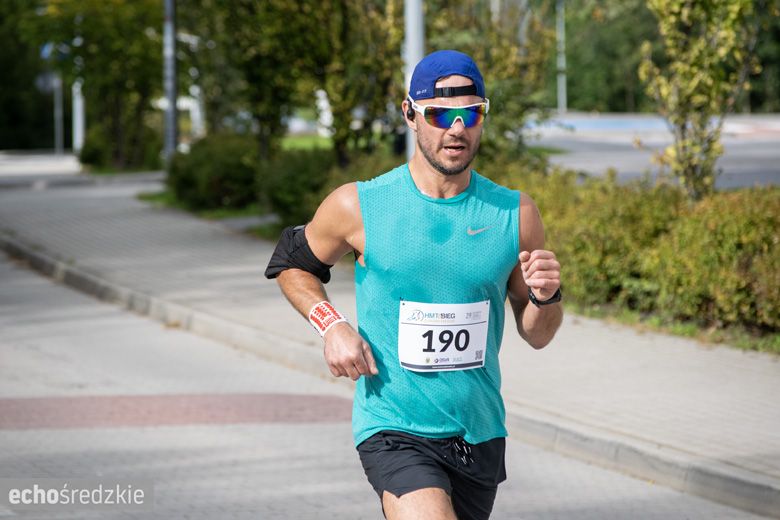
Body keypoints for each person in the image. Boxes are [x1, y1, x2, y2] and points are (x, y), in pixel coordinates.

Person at [265, 49, 562, 520]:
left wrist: (547, 297)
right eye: (441, 114)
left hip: (479, 431)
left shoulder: (515, 214)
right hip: (394, 427)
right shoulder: (359, 205)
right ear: (409, 114)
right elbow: (290, 264)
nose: (457, 129)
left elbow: (538, 333)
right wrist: (333, 325)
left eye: (471, 113)